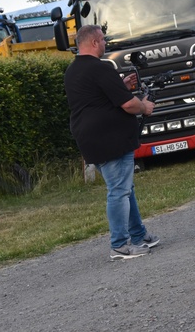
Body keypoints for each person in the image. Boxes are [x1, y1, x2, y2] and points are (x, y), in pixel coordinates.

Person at [64, 24, 160, 260]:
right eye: (103, 40)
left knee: (125, 188)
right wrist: (144, 106)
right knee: (118, 190)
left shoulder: (73, 70)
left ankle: (138, 235)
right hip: (110, 139)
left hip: (89, 138)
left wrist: (121, 87)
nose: (105, 44)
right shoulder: (101, 68)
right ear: (95, 42)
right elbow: (128, 105)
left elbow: (95, 97)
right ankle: (119, 244)